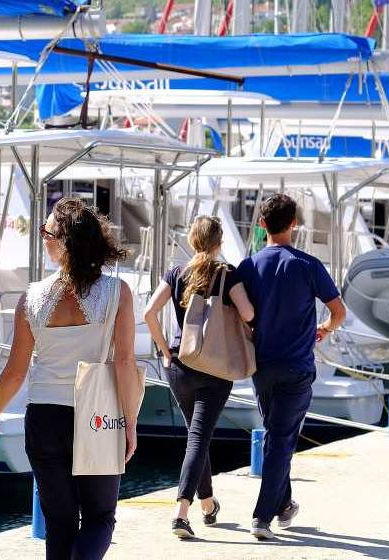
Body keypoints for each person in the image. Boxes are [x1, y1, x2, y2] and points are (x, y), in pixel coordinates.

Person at [0, 198, 141, 560]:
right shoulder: (116, 293)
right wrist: (129, 424)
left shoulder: (31, 298)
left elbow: (16, 372)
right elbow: (125, 362)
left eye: (47, 232)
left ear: (64, 242)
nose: (44, 238)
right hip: (95, 416)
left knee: (59, 523)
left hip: (45, 417)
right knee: (100, 518)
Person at [233, 193, 346, 540]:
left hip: (263, 367)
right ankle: (262, 516)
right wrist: (325, 330)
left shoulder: (249, 267)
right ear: (294, 223)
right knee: (280, 441)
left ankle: (283, 505)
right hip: (297, 367)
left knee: (275, 438)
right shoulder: (308, 265)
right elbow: (338, 311)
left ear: (261, 224)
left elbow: (241, 315)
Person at [142, 216, 255, 540]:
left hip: (180, 365)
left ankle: (207, 504)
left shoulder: (177, 273)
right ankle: (181, 514)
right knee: (198, 438)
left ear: (192, 240)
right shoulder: (226, 274)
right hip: (216, 370)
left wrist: (165, 351)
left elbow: (148, 313)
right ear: (219, 242)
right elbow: (248, 314)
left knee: (197, 436)